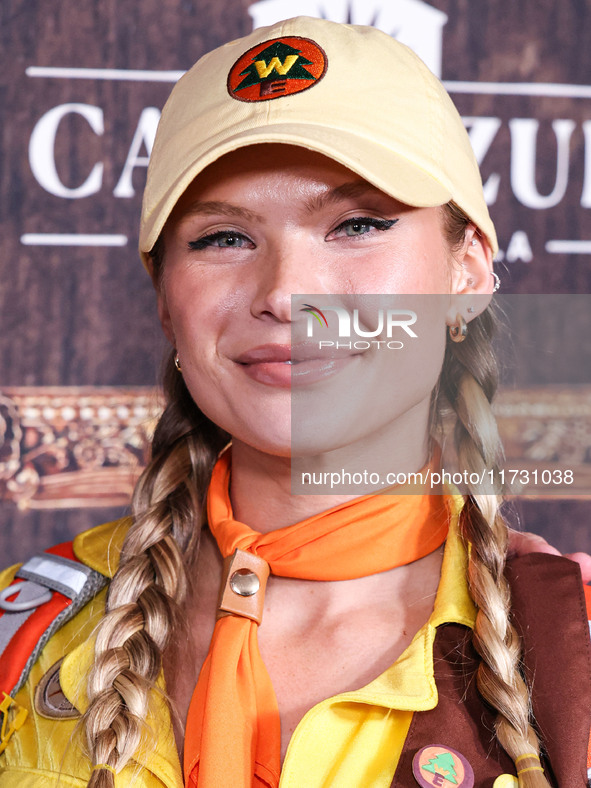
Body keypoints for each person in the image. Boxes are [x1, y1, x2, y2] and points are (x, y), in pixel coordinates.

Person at [0, 16, 589, 788]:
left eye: (357, 224)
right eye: (221, 238)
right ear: (165, 300)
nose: (283, 294)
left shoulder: (568, 653)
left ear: (467, 271)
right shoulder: (24, 640)